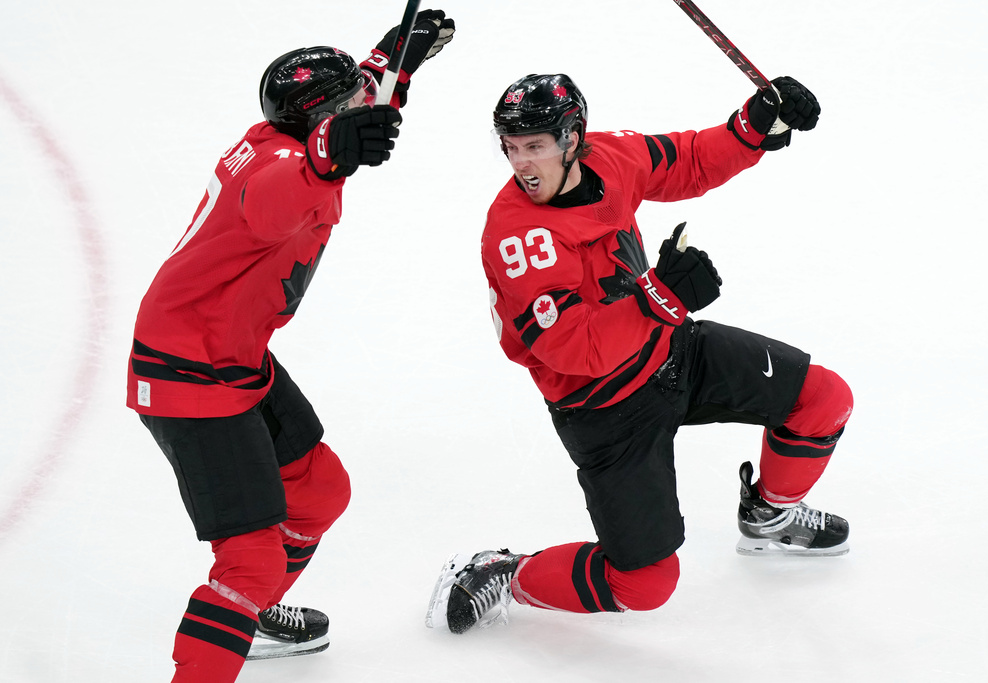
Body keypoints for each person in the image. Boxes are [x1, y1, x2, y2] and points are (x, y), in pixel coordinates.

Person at [426, 73, 853, 634]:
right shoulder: (517, 235)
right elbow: (573, 347)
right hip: (603, 406)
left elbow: (689, 160)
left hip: (670, 349)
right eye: (510, 147)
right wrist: (662, 297)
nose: (522, 163)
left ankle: (770, 516)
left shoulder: (611, 156)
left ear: (574, 136)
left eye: (535, 146)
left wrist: (754, 125)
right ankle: (508, 574)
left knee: (822, 398)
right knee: (644, 585)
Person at [126, 10, 455, 681]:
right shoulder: (281, 167)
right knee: (250, 558)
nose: (367, 103)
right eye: (350, 106)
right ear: (320, 123)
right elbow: (275, 197)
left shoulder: (297, 133)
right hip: (189, 371)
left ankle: (248, 615)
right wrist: (331, 152)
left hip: (232, 355)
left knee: (318, 491)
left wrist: (396, 61)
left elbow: (353, 111)